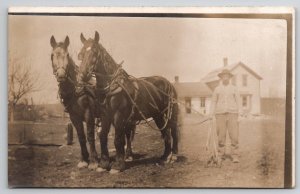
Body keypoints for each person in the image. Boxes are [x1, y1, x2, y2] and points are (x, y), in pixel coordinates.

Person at [210, 69, 241, 163]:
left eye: (227, 75)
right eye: (223, 76)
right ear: (221, 77)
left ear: (229, 77)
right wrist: (211, 114)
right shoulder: (217, 89)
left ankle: (235, 155)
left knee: (234, 136)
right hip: (220, 115)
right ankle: (220, 154)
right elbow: (213, 102)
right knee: (221, 136)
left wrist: (239, 115)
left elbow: (239, 102)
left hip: (233, 114)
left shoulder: (234, 88)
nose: (225, 77)